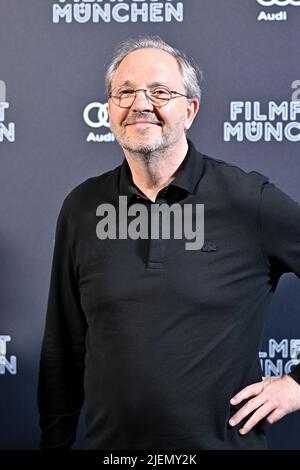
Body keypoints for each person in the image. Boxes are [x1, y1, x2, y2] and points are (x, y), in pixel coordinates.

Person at [38, 35, 300, 450]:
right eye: (125, 93)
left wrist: (297, 385)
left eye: (159, 92)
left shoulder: (249, 201)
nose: (140, 104)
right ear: (109, 110)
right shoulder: (82, 207)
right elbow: (63, 346)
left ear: (190, 110)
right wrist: (55, 441)